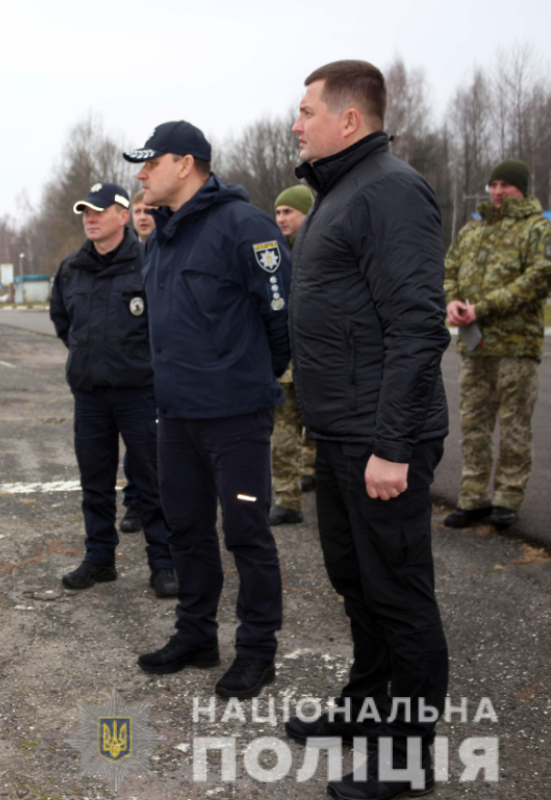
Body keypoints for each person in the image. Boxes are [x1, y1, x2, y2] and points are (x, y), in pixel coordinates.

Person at [287, 60, 450, 799]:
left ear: (349, 119)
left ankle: (406, 759)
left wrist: (392, 446)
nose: (296, 124)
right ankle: (365, 709)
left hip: (380, 438)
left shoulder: (389, 190)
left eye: (307, 111)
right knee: (355, 584)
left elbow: (417, 330)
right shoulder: (338, 192)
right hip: (341, 431)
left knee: (399, 597)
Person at [128, 121, 289, 700]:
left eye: (151, 163)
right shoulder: (162, 237)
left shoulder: (244, 226)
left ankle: (257, 652)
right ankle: (196, 636)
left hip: (235, 416)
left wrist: (241, 379)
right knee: (187, 531)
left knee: (247, 534)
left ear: (187, 163)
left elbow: (280, 318)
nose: (141, 174)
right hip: (176, 417)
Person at [49, 182, 176, 596]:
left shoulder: (149, 263)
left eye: (99, 211)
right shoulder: (71, 268)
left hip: (139, 393)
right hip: (90, 396)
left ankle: (163, 563)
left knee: (154, 481)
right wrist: (90, 357)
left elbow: (166, 326)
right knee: (95, 482)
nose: (90, 218)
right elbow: (63, 321)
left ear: (124, 215)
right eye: (86, 211)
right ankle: (99, 559)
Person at [442, 159, 551, 531]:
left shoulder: (537, 229)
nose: (498, 191)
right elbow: (450, 269)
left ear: (522, 188)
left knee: (515, 426)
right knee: (473, 425)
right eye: (494, 184)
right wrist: (453, 302)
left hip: (516, 347)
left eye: (506, 185)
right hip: (476, 349)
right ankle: (473, 497)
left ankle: (508, 497)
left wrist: (482, 309)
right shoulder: (473, 231)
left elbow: (539, 278)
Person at [268, 185, 317, 526]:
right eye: (279, 212)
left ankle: (321, 484)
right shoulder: (271, 255)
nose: (282, 218)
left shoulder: (321, 251)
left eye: (289, 212)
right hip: (285, 363)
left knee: (323, 435)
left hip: (319, 362)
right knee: (283, 436)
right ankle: (288, 499)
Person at [118, 189, 158, 534]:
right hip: (138, 371)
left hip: (167, 366)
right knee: (137, 445)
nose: (143, 216)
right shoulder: (126, 258)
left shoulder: (167, 250)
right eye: (138, 210)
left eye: (149, 210)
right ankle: (134, 502)